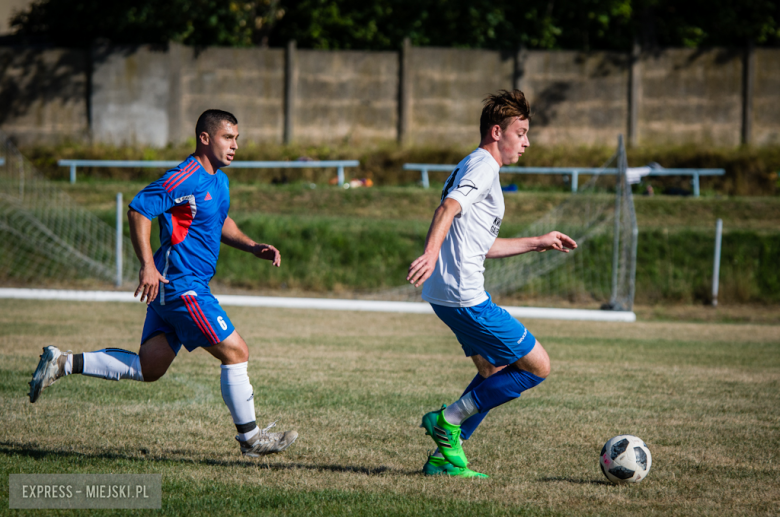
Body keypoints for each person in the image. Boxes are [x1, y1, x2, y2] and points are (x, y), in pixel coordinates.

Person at [28, 109, 298, 458]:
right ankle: (250, 440)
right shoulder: (185, 176)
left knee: (149, 367)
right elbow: (139, 209)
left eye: (237, 139)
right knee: (236, 352)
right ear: (205, 138)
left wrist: (251, 246)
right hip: (182, 285)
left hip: (177, 286)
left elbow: (218, 218)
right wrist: (146, 266)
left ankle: (62, 363)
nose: (235, 146)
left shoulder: (219, 180)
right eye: (228, 138)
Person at [407, 90, 577, 478]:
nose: (527, 141)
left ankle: (444, 459)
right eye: (522, 132)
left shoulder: (475, 165)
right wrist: (431, 253)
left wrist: (538, 241)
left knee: (492, 370)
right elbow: (447, 208)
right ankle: (448, 421)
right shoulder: (483, 166)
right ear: (497, 132)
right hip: (463, 293)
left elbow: (480, 245)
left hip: (444, 292)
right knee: (537, 367)